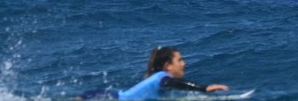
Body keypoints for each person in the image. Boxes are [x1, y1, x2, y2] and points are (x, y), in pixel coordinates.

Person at [79, 47, 229, 100]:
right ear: (168, 66)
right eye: (180, 60)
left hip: (104, 95)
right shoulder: (163, 78)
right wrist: (203, 88)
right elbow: (174, 84)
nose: (184, 63)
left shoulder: (158, 79)